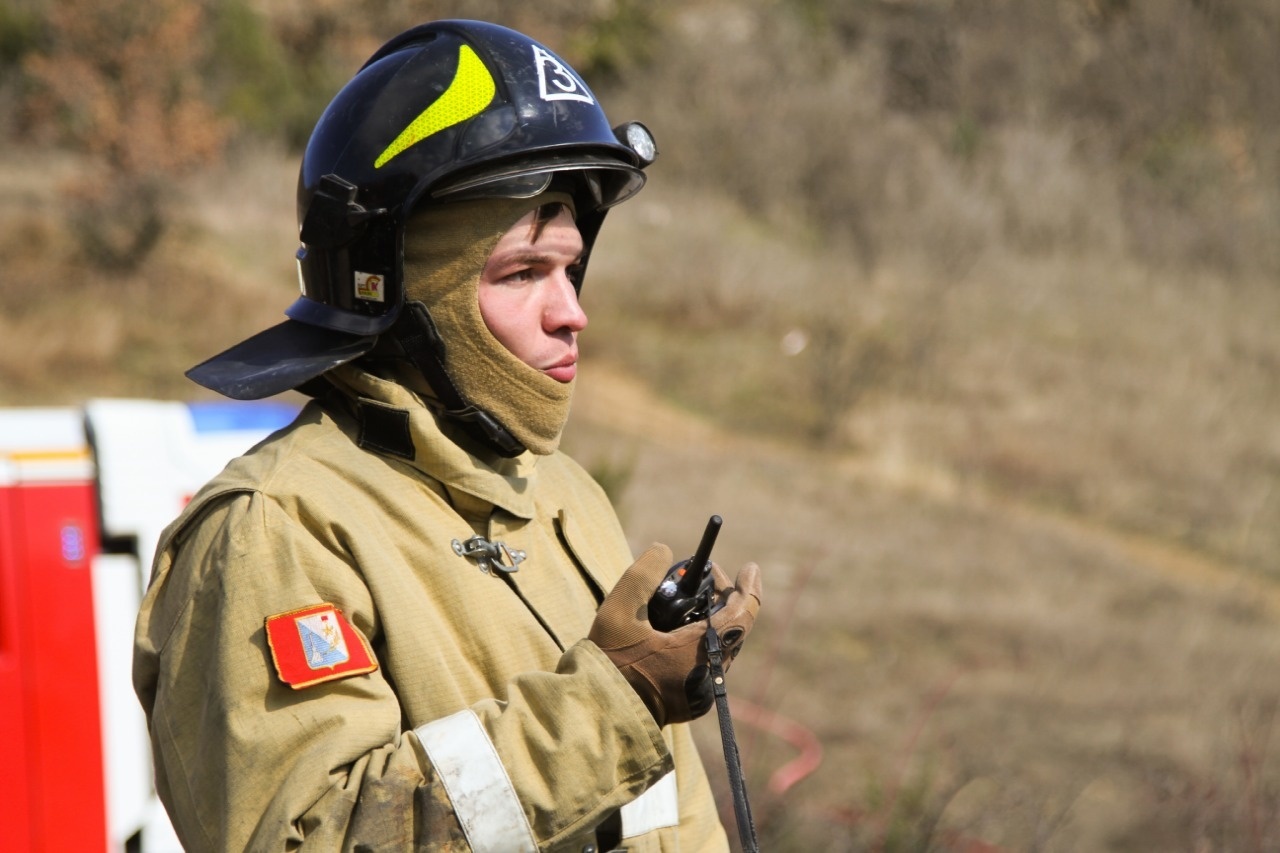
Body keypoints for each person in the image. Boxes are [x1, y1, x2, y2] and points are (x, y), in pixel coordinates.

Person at [132, 19, 762, 852]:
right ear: (405, 293)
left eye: (570, 269)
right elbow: (312, 837)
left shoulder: (562, 494)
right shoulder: (274, 530)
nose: (572, 311)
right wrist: (616, 701)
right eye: (523, 272)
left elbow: (669, 825)